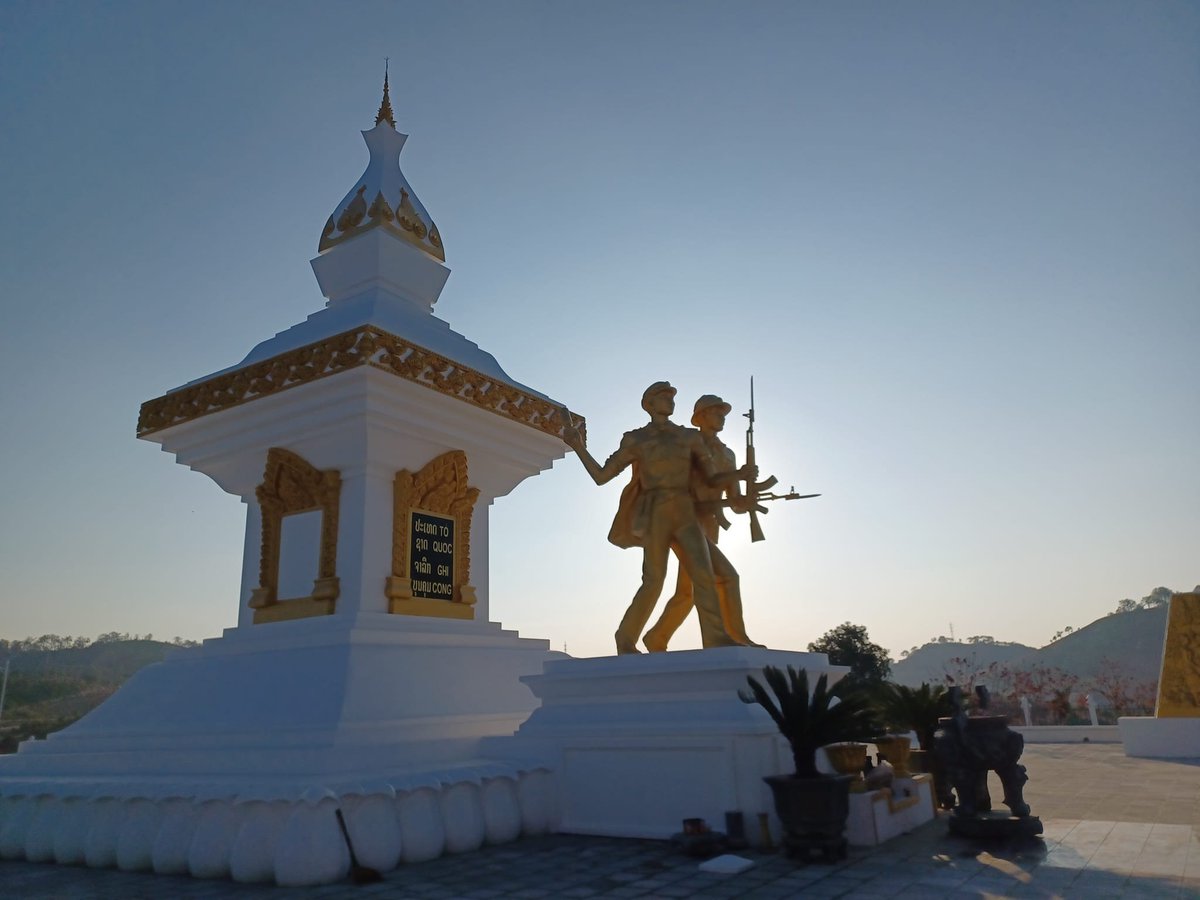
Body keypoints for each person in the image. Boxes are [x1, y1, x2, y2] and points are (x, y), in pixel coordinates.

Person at [560, 382, 753, 654]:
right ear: (649, 404)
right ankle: (626, 638)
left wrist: (737, 476)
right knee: (654, 579)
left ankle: (715, 637)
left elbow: (712, 478)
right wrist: (577, 446)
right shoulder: (635, 439)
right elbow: (602, 476)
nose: (670, 401)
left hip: (685, 511)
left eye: (672, 397)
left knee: (704, 575)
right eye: (663, 397)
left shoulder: (689, 437)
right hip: (656, 512)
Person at [642, 394, 761, 652]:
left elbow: (735, 500)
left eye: (723, 414)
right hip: (685, 522)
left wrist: (748, 499)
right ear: (701, 417)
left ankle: (657, 636)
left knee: (688, 592)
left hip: (711, 524)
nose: (721, 418)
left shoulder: (728, 455)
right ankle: (736, 637)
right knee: (727, 577)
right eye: (716, 413)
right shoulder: (688, 446)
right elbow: (694, 481)